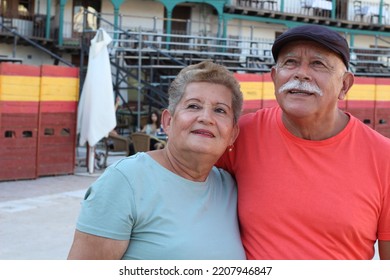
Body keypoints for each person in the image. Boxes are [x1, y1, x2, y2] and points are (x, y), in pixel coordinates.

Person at [217, 25, 390, 260]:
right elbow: (180, 173)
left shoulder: (383, 157)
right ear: (274, 77)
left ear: (345, 85)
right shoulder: (240, 135)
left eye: (318, 64)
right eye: (290, 62)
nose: (301, 73)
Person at [67, 61, 246, 260]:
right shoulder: (125, 181)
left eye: (220, 110)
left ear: (232, 133)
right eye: (193, 106)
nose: (206, 118)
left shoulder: (229, 187)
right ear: (168, 122)